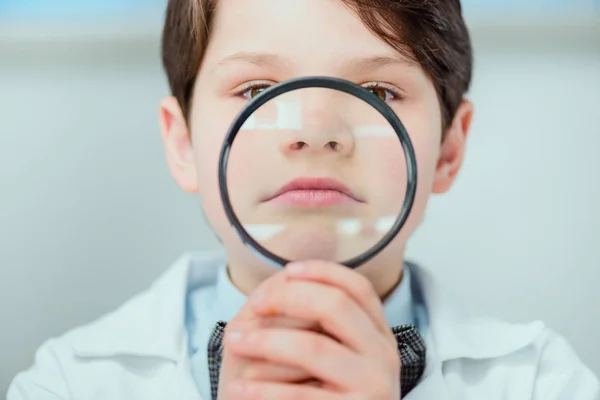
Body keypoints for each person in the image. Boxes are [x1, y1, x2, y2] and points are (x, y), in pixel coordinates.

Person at [8, 0, 599, 399]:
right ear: (183, 143)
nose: (316, 130)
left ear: (447, 149)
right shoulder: (66, 382)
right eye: (258, 89)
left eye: (378, 90)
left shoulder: (544, 381)